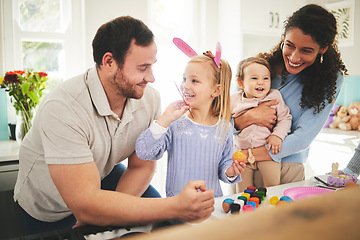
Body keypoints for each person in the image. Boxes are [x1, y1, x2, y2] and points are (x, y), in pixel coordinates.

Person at [13, 16, 215, 234]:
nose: (152, 77)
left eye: (152, 66)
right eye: (143, 68)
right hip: (49, 207)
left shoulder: (149, 98)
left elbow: (141, 165)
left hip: (101, 175)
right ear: (109, 62)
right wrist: (176, 206)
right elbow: (86, 205)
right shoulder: (62, 108)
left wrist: (110, 214)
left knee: (161, 227)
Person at [232, 4, 348, 191]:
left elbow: (302, 138)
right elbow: (225, 118)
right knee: (241, 216)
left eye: (306, 50)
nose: (294, 57)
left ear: (323, 48)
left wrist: (248, 154)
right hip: (243, 166)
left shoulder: (330, 79)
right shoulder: (260, 68)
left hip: (285, 168)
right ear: (283, 39)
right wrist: (248, 118)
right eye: (289, 45)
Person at [136, 47, 246, 198]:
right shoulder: (174, 123)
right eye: (184, 78)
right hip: (177, 207)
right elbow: (144, 151)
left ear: (217, 90)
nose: (185, 85)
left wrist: (231, 171)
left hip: (210, 205)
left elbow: (224, 165)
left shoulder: (224, 128)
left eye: (194, 80)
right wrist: (165, 119)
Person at [231, 57, 292, 192]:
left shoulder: (274, 96)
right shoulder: (234, 100)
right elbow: (224, 122)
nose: (261, 82)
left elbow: (285, 118)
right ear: (241, 82)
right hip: (242, 155)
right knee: (242, 191)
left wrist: (277, 135)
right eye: (254, 78)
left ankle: (269, 211)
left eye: (266, 78)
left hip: (267, 152)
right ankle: (246, 211)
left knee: (272, 188)